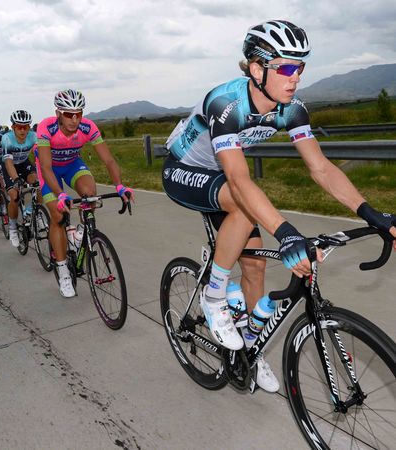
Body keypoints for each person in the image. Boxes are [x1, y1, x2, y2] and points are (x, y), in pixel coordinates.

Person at [162, 20, 396, 393]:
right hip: (185, 170)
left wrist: (371, 213)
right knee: (244, 206)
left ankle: (251, 353)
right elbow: (240, 182)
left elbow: (321, 168)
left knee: (255, 268)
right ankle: (213, 293)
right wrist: (286, 233)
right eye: (286, 68)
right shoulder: (226, 103)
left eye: (300, 67)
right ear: (257, 69)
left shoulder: (291, 109)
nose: (296, 77)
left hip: (225, 177)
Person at [36, 89, 133, 298]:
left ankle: (81, 234)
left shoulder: (88, 127)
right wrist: (60, 194)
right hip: (50, 170)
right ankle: (63, 269)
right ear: (58, 113)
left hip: (72, 165)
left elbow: (108, 160)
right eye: (68, 114)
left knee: (90, 194)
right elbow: (45, 166)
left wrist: (119, 186)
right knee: (58, 215)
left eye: (78, 114)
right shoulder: (46, 127)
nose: (74, 119)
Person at [1, 110, 38, 248]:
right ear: (13, 127)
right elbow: (8, 163)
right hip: (9, 165)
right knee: (15, 196)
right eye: (19, 127)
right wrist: (16, 179)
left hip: (23, 163)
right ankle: (12, 228)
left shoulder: (33, 136)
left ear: (29, 127)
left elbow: (40, 155)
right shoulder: (7, 138)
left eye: (25, 127)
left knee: (39, 184)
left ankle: (32, 212)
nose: (22, 130)